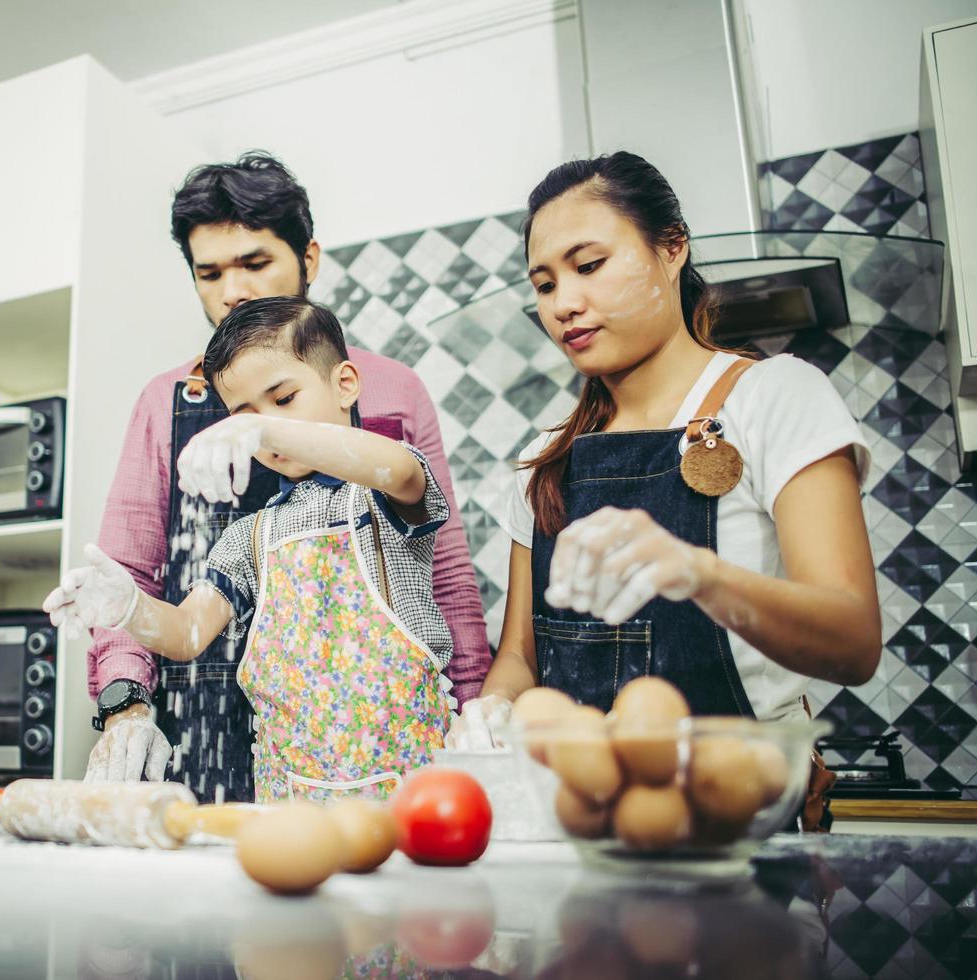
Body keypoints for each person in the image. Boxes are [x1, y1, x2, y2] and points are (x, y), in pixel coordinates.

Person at [85, 153, 488, 802]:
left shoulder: (394, 391)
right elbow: (131, 573)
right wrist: (124, 702)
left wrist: (474, 706)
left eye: (254, 262)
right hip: (212, 725)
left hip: (388, 730)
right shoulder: (165, 401)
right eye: (209, 273)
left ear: (309, 258)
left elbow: (440, 568)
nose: (232, 291)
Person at [450, 151, 880, 748]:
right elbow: (523, 656)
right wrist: (493, 707)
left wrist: (698, 575)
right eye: (544, 284)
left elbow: (852, 642)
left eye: (590, 265)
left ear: (672, 247)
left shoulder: (773, 397)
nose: (562, 303)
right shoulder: (547, 459)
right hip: (581, 810)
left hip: (740, 807)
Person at [50, 296, 454, 801]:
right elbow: (187, 633)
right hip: (290, 802)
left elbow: (396, 468)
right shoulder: (250, 536)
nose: (264, 427)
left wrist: (261, 426)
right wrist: (126, 606)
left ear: (345, 384)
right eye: (244, 414)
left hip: (411, 795)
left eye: (283, 399)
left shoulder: (385, 490)